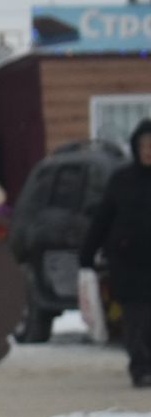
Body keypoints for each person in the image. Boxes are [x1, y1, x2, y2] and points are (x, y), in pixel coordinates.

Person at [80, 117, 151, 386]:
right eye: (145, 144)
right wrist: (87, 253)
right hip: (129, 262)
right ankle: (141, 367)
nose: (149, 150)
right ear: (136, 147)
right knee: (136, 318)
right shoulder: (122, 180)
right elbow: (103, 218)